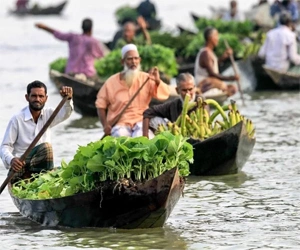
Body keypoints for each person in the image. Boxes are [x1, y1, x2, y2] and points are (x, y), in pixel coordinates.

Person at [0, 81, 73, 179]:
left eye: (41, 96)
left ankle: (45, 178)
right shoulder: (17, 119)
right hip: (21, 168)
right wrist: (12, 160)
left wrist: (68, 99)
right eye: (34, 96)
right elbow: (5, 146)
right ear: (27, 97)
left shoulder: (49, 114)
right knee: (46, 147)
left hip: (42, 168)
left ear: (46, 98)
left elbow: (65, 113)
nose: (37, 99)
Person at [95, 44, 170, 138]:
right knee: (120, 137)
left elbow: (165, 95)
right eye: (129, 59)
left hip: (141, 121)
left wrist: (158, 81)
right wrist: (105, 125)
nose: (133, 62)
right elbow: (100, 105)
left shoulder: (146, 78)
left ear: (139, 60)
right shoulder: (111, 82)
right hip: (120, 124)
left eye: (136, 58)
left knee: (141, 138)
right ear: (122, 61)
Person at [35, 18, 104, 82]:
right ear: (91, 29)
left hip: (71, 72)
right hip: (88, 73)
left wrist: (44, 27)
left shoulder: (73, 37)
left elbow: (59, 34)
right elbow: (101, 55)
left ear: (82, 27)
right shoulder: (94, 41)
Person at [142, 73, 200, 138]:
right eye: (184, 90)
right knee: (154, 120)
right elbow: (147, 112)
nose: (188, 94)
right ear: (177, 90)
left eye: (190, 89)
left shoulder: (201, 102)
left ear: (195, 88)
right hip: (178, 139)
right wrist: (145, 136)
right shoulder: (174, 105)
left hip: (198, 137)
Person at [194, 27, 239, 97]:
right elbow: (212, 74)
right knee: (224, 86)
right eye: (216, 36)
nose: (218, 38)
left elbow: (212, 66)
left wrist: (223, 57)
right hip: (203, 84)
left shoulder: (209, 52)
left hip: (210, 81)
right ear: (210, 38)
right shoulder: (205, 53)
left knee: (232, 88)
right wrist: (231, 78)